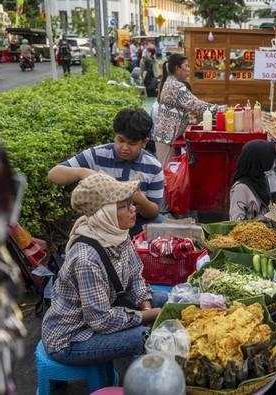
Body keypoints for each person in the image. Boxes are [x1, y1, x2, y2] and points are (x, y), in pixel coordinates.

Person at [41, 173, 166, 365]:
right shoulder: (86, 259)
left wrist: (146, 307)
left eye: (130, 203)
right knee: (145, 336)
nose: (133, 209)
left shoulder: (117, 234)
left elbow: (135, 277)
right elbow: (100, 320)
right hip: (72, 338)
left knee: (163, 300)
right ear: (104, 214)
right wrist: (145, 317)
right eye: (124, 206)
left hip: (103, 310)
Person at [48, 108, 163, 235]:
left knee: (159, 222)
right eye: (120, 140)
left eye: (132, 143)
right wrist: (83, 173)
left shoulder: (153, 167)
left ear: (144, 143)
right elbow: (53, 174)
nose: (124, 147)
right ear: (115, 135)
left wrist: (140, 200)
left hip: (133, 225)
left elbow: (154, 212)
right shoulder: (97, 155)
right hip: (100, 225)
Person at [153, 53, 219, 165]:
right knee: (166, 172)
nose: (189, 69)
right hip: (167, 135)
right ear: (177, 68)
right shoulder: (176, 86)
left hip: (166, 134)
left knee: (168, 170)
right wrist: (219, 109)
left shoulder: (170, 82)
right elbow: (195, 104)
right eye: (186, 66)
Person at [229, 140, 276, 221]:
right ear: (260, 160)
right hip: (249, 233)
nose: (273, 161)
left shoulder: (261, 179)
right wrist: (260, 221)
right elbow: (235, 222)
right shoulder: (240, 188)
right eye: (271, 157)